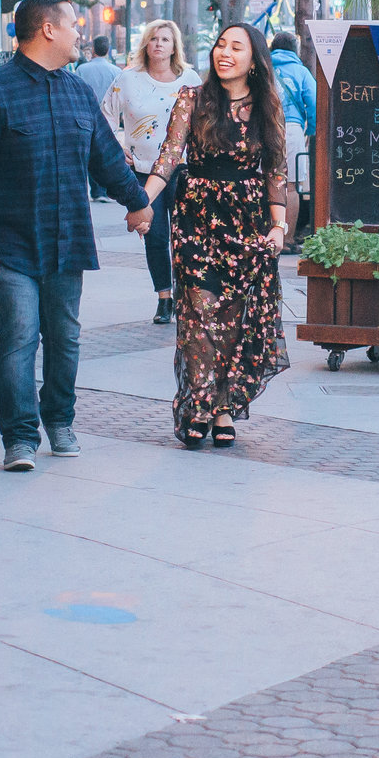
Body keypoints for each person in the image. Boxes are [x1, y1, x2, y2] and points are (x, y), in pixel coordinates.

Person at [0, 0, 153, 471]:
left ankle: (60, 421)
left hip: (67, 242)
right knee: (19, 337)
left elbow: (105, 158)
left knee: (65, 338)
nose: (79, 33)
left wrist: (138, 201)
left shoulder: (76, 91)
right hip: (11, 246)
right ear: (47, 29)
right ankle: (20, 437)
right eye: (72, 25)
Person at [145, 24, 292, 448]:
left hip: (246, 222)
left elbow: (276, 171)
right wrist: (144, 200)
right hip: (197, 217)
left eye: (236, 47)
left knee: (232, 321)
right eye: (220, 45)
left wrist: (278, 226)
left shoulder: (267, 104)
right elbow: (170, 154)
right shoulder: (193, 98)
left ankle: (224, 406)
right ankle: (202, 405)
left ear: (254, 59)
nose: (224, 53)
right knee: (197, 315)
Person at [102, 20, 200, 324]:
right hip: (144, 172)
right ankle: (164, 297)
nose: (159, 44)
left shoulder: (190, 79)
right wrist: (119, 147)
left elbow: (203, 123)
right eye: (154, 38)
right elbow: (104, 116)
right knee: (155, 235)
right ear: (146, 43)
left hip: (182, 171)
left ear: (175, 47)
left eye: (166, 40)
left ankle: (187, 297)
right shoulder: (127, 78)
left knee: (185, 237)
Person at [269, 30, 317, 242]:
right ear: (294, 49)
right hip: (292, 129)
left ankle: (265, 235)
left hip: (264, 127)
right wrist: (312, 130)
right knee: (291, 185)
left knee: (265, 181)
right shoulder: (301, 71)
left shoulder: (264, 69)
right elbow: (314, 102)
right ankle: (286, 240)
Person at [76, 31, 119, 200]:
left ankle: (96, 190)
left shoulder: (82, 69)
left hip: (85, 115)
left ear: (93, 49)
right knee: (106, 152)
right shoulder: (115, 71)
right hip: (109, 117)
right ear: (107, 50)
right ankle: (106, 189)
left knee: (89, 153)